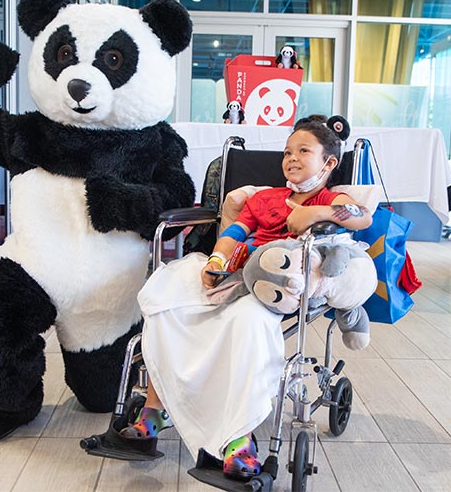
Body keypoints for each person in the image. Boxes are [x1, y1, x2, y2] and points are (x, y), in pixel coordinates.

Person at [122, 115, 372, 481]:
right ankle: (156, 407)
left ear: (329, 162)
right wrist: (217, 260)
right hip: (236, 269)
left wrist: (312, 212)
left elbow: (361, 217)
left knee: (246, 322)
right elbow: (236, 232)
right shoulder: (264, 198)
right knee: (167, 301)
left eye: (304, 150)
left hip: (278, 285)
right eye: (288, 151)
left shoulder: (330, 197)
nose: (292, 158)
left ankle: (239, 438)